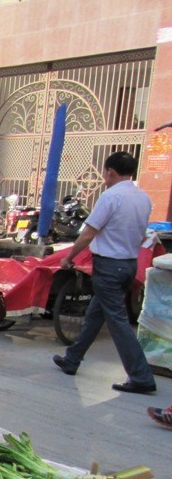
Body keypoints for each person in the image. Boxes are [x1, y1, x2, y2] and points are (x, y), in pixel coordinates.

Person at [53, 151, 157, 394]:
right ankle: (72, 359)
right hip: (128, 264)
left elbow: (88, 233)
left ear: (110, 171)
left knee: (118, 322)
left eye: (105, 173)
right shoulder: (143, 198)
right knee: (95, 314)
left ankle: (141, 376)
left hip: (109, 266)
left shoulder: (111, 197)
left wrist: (69, 257)